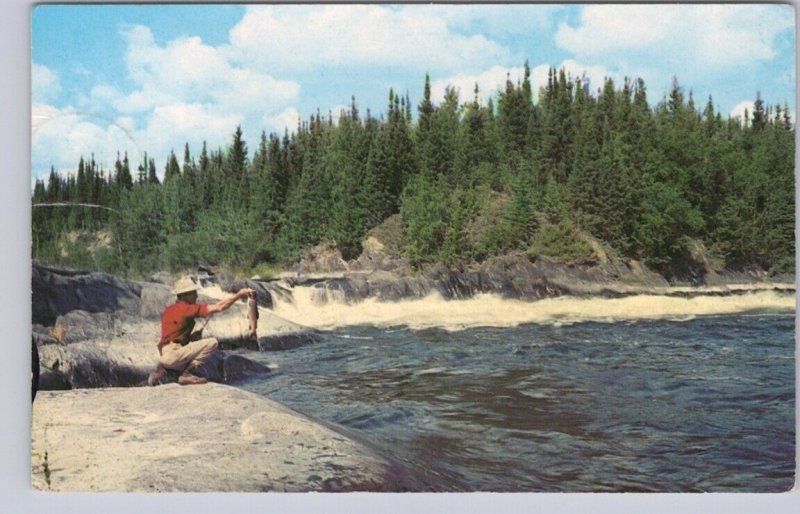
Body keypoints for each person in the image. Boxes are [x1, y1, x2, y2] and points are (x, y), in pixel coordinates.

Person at [148, 276, 253, 386]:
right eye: (193, 293)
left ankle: (164, 371)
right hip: (174, 355)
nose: (196, 296)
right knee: (212, 343)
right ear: (184, 295)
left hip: (165, 355)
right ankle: (186, 374)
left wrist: (191, 337)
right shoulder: (187, 308)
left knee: (190, 350)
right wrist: (239, 295)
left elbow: (172, 335)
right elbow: (219, 307)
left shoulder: (169, 310)